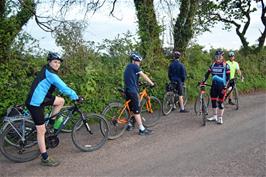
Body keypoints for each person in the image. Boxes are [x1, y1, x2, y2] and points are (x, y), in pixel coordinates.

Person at [25, 52, 80, 167]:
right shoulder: (51, 74)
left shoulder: (47, 70)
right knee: (41, 131)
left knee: (60, 101)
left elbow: (50, 85)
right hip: (35, 103)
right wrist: (75, 96)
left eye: (59, 62)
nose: (57, 64)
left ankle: (51, 124)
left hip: (42, 98)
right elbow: (63, 87)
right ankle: (45, 158)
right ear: (49, 62)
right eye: (55, 62)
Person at [124, 52, 155, 135]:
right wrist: (151, 83)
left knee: (130, 108)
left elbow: (132, 78)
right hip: (132, 91)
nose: (139, 63)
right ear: (134, 61)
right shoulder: (135, 66)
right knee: (136, 110)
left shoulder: (128, 67)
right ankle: (141, 129)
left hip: (127, 89)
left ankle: (130, 123)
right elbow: (143, 75)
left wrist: (138, 83)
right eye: (138, 61)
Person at [203, 49, 230, 124]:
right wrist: (203, 81)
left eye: (219, 56)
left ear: (222, 56)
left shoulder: (225, 65)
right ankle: (215, 116)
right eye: (216, 56)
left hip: (222, 87)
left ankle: (220, 118)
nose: (218, 57)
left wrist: (226, 87)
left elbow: (228, 77)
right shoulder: (213, 65)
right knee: (213, 101)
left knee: (220, 103)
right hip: (214, 86)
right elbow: (207, 74)